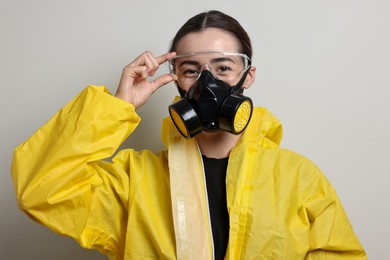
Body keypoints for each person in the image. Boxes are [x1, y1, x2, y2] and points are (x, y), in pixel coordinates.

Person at [11, 10, 366, 260]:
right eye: (191, 69)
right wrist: (117, 106)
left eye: (223, 68)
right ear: (174, 79)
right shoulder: (133, 181)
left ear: (249, 76)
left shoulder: (299, 178)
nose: (206, 83)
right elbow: (40, 191)